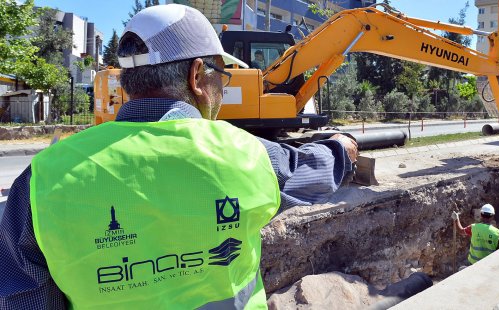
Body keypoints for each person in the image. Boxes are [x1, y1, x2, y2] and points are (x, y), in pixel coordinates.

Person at [0, 4, 358, 309]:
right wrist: (342, 147)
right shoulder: (244, 152)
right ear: (198, 75)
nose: (225, 87)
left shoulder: (41, 179)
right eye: (223, 76)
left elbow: (23, 296)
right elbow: (314, 169)